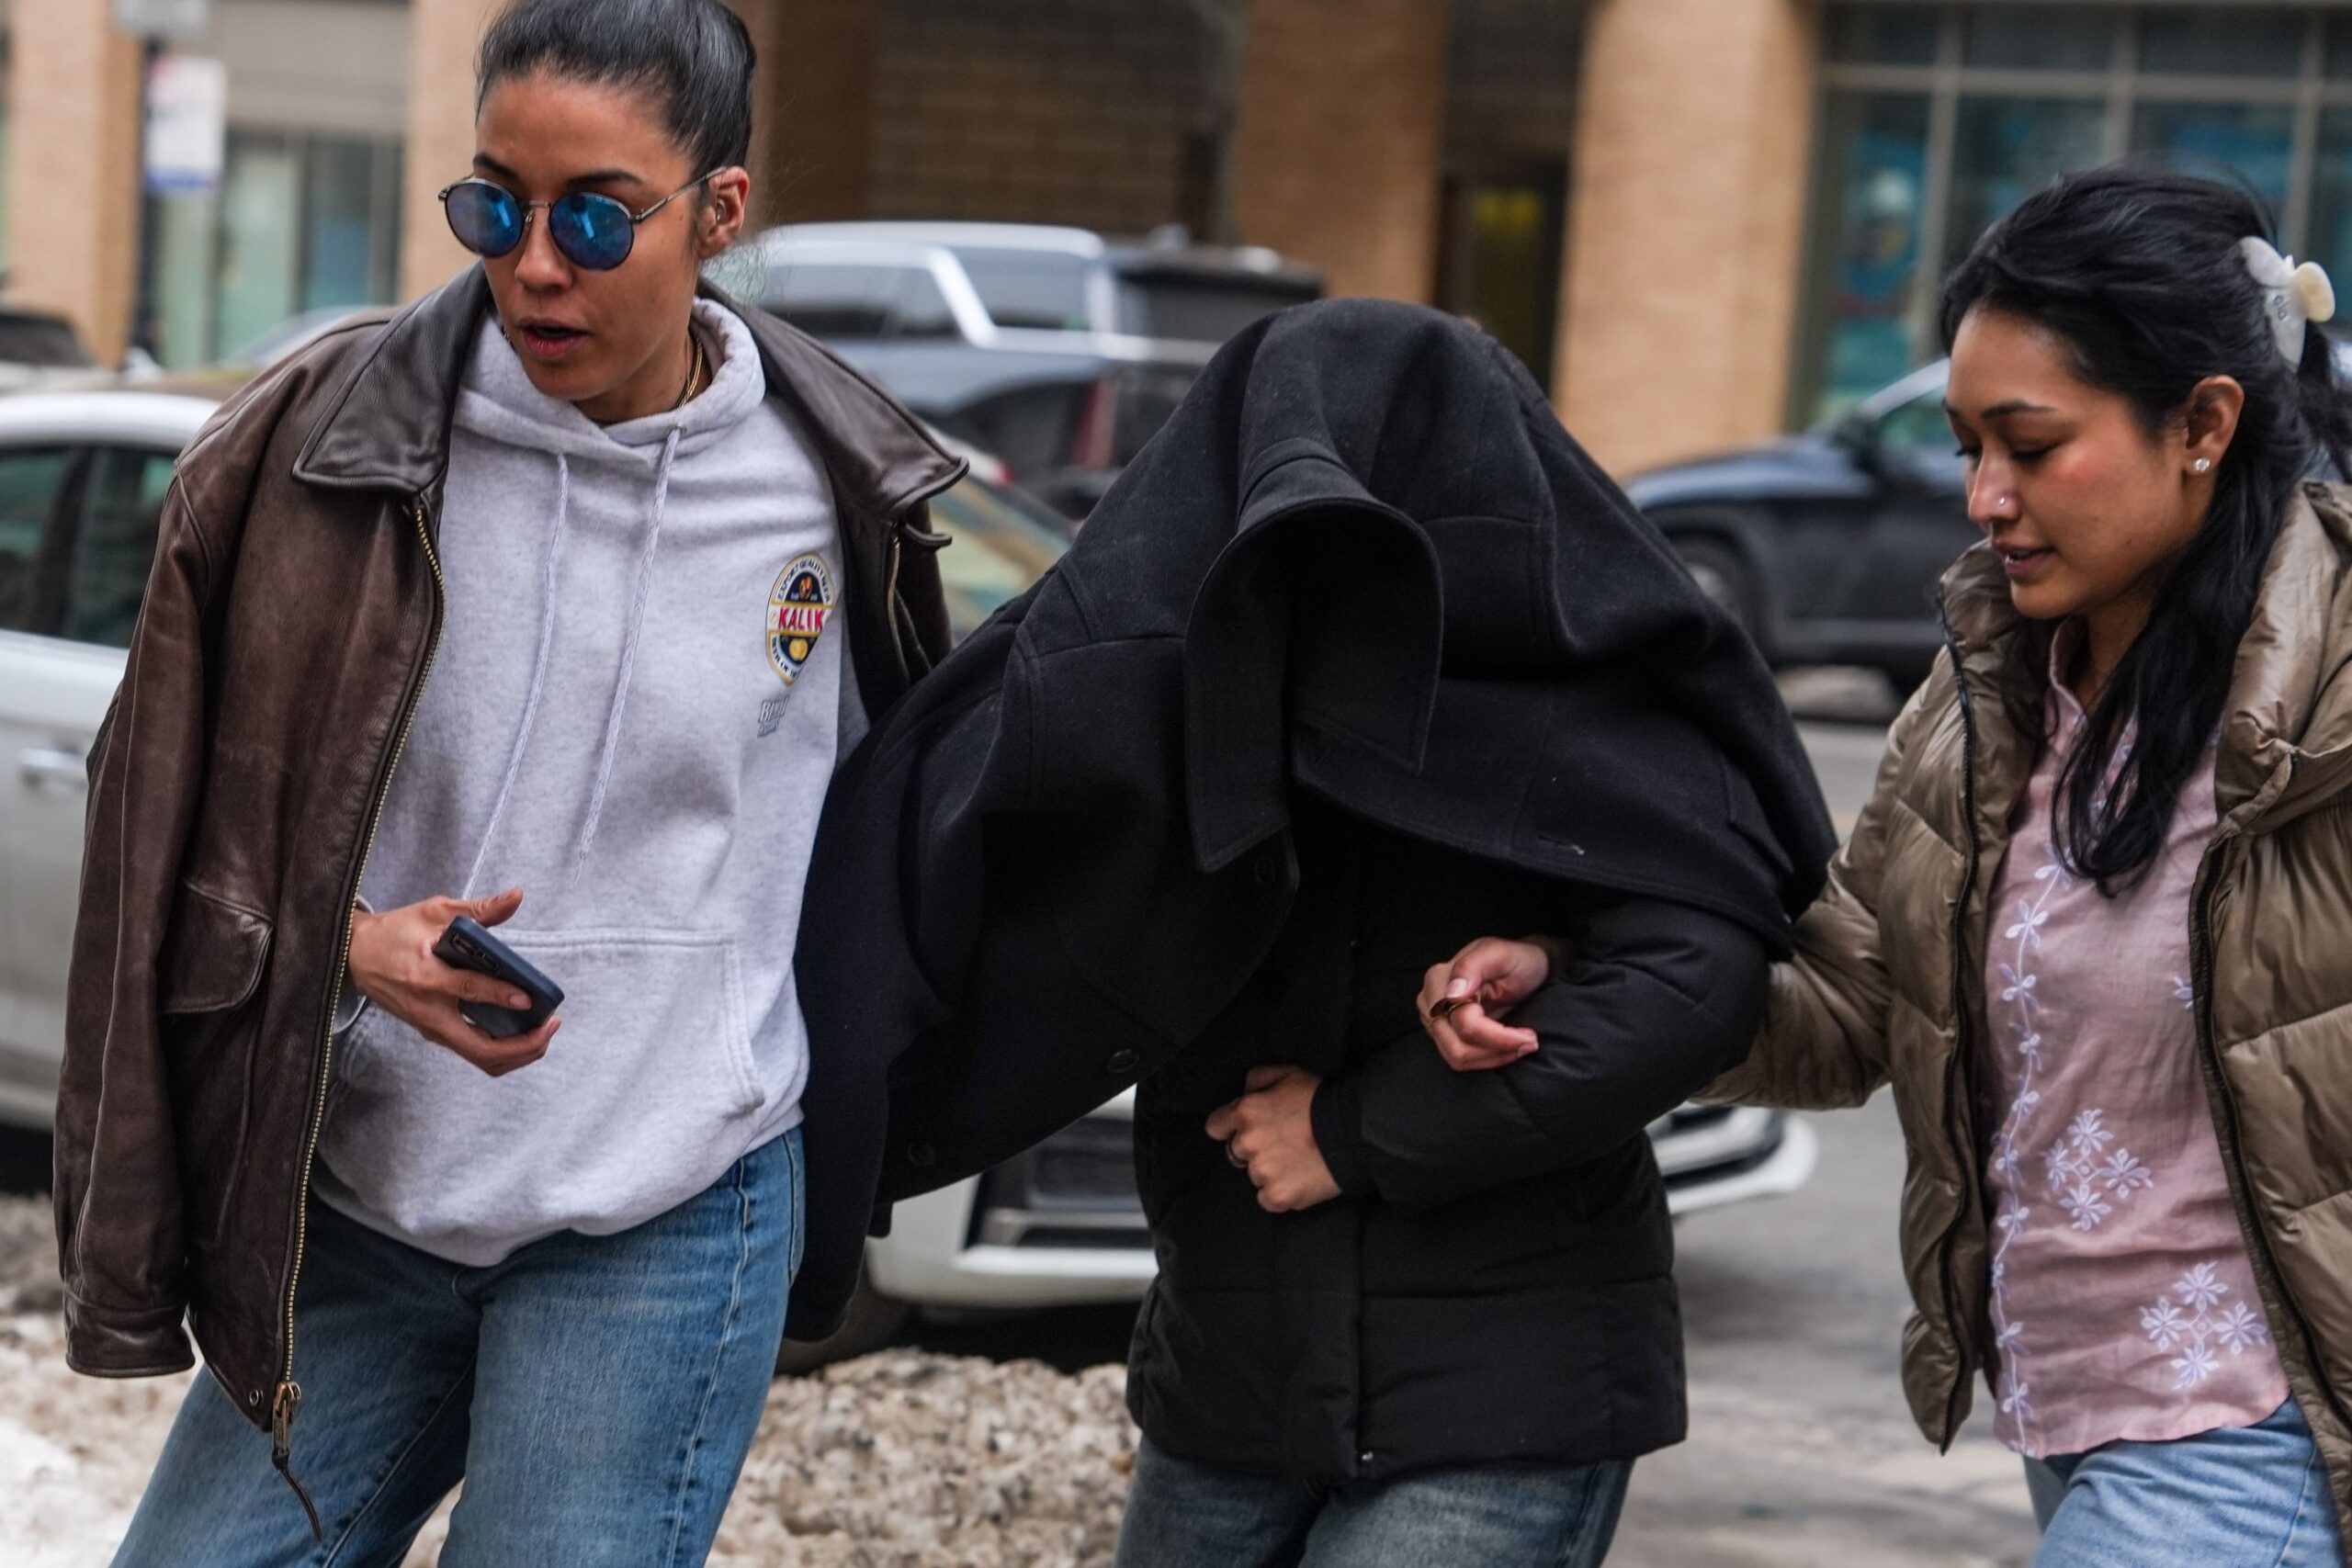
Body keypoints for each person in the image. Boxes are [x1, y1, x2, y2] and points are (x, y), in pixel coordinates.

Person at [53, 1, 966, 1562]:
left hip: (667, 1219)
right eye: (495, 205)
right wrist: (338, 947)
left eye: (598, 216)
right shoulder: (314, 455)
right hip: (360, 1208)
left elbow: (894, 835)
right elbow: (148, 822)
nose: (537, 263)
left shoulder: (836, 491)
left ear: (720, 211)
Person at [790, 299, 1838, 1566]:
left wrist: (1355, 1131)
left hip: (1502, 1397)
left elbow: (1695, 977)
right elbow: (971, 853)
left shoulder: (1576, 694)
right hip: (1227, 1387)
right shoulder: (1177, 700)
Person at [1420, 166, 2352, 1566]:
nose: (1984, 495)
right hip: (2057, 1400)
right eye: (1970, 444)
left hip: (2260, 1426)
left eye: (2031, 447)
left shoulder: (2333, 703)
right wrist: (1581, 978)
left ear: (2204, 422)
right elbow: (1855, 1007)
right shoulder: (1990, 690)